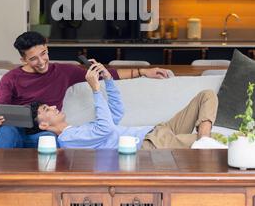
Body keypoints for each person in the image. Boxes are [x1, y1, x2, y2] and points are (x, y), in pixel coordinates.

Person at [0, 31, 171, 148]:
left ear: (47, 49)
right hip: (17, 130)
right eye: (33, 58)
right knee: (7, 130)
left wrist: (143, 71)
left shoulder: (64, 71)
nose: (42, 61)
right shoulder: (10, 78)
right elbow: (2, 110)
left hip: (44, 131)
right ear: (24, 60)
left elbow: (107, 74)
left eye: (43, 54)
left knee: (55, 141)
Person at [31, 61, 219, 150]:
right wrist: (96, 90)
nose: (54, 107)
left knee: (207, 95)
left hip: (160, 130)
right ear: (44, 126)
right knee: (222, 144)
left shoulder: (79, 129)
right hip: (150, 143)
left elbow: (117, 112)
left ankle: (203, 141)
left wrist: (108, 80)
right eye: (47, 109)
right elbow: (105, 128)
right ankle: (204, 143)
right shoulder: (67, 139)